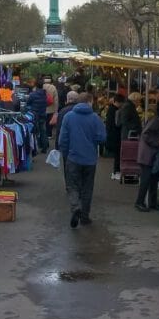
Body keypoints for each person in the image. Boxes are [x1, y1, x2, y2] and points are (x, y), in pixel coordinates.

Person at [58, 92, 106, 228]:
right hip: (90, 159)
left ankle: (75, 207)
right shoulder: (95, 118)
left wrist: (67, 154)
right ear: (89, 102)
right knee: (87, 188)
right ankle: (85, 216)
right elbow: (102, 138)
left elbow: (63, 140)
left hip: (73, 157)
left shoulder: (68, 117)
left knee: (72, 186)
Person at [135, 102, 159, 212]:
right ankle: (139, 202)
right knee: (146, 179)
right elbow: (145, 134)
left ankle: (152, 202)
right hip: (148, 154)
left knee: (154, 178)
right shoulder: (157, 120)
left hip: (153, 153)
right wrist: (158, 142)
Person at [105, 93, 125, 181]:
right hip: (116, 135)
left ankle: (115, 172)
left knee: (117, 155)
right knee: (118, 155)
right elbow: (117, 124)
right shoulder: (116, 110)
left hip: (111, 134)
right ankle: (116, 172)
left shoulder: (110, 109)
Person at [26, 82, 49, 153]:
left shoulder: (33, 94)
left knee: (35, 131)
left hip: (34, 115)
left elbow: (28, 102)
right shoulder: (45, 94)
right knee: (43, 131)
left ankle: (35, 148)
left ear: (36, 86)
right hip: (43, 114)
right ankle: (45, 147)